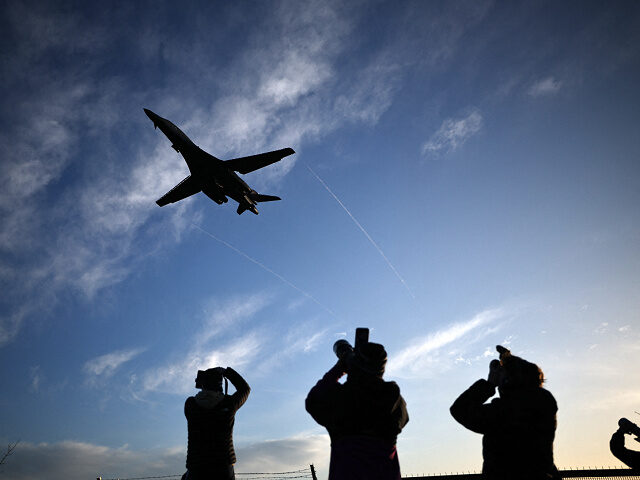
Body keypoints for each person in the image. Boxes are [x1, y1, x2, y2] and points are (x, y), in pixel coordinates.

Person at [450, 346, 560, 480]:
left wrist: (489, 384)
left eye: (502, 373)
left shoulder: (506, 411)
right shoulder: (543, 402)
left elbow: (460, 409)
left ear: (509, 380)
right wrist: (508, 361)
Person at [305, 340, 409, 480]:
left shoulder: (340, 400)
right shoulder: (394, 400)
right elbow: (404, 418)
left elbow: (313, 401)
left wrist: (339, 368)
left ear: (354, 367)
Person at [182, 366, 250, 480]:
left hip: (196, 466)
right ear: (220, 385)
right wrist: (227, 372)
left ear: (203, 384)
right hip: (223, 466)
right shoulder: (229, 403)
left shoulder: (191, 404)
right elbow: (244, 389)